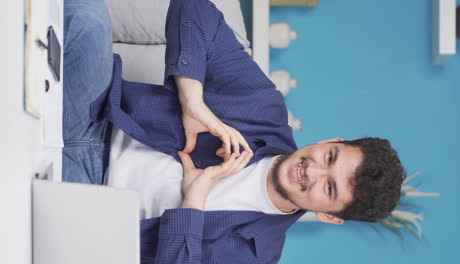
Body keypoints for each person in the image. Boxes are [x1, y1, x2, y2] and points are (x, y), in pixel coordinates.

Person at [63, 0, 406, 263]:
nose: (312, 170)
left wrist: (192, 204)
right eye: (329, 157)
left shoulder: (256, 256)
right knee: (87, 16)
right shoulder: (263, 107)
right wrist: (193, 101)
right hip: (99, 112)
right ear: (330, 141)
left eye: (329, 187)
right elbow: (195, 8)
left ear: (330, 217)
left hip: (91, 196)